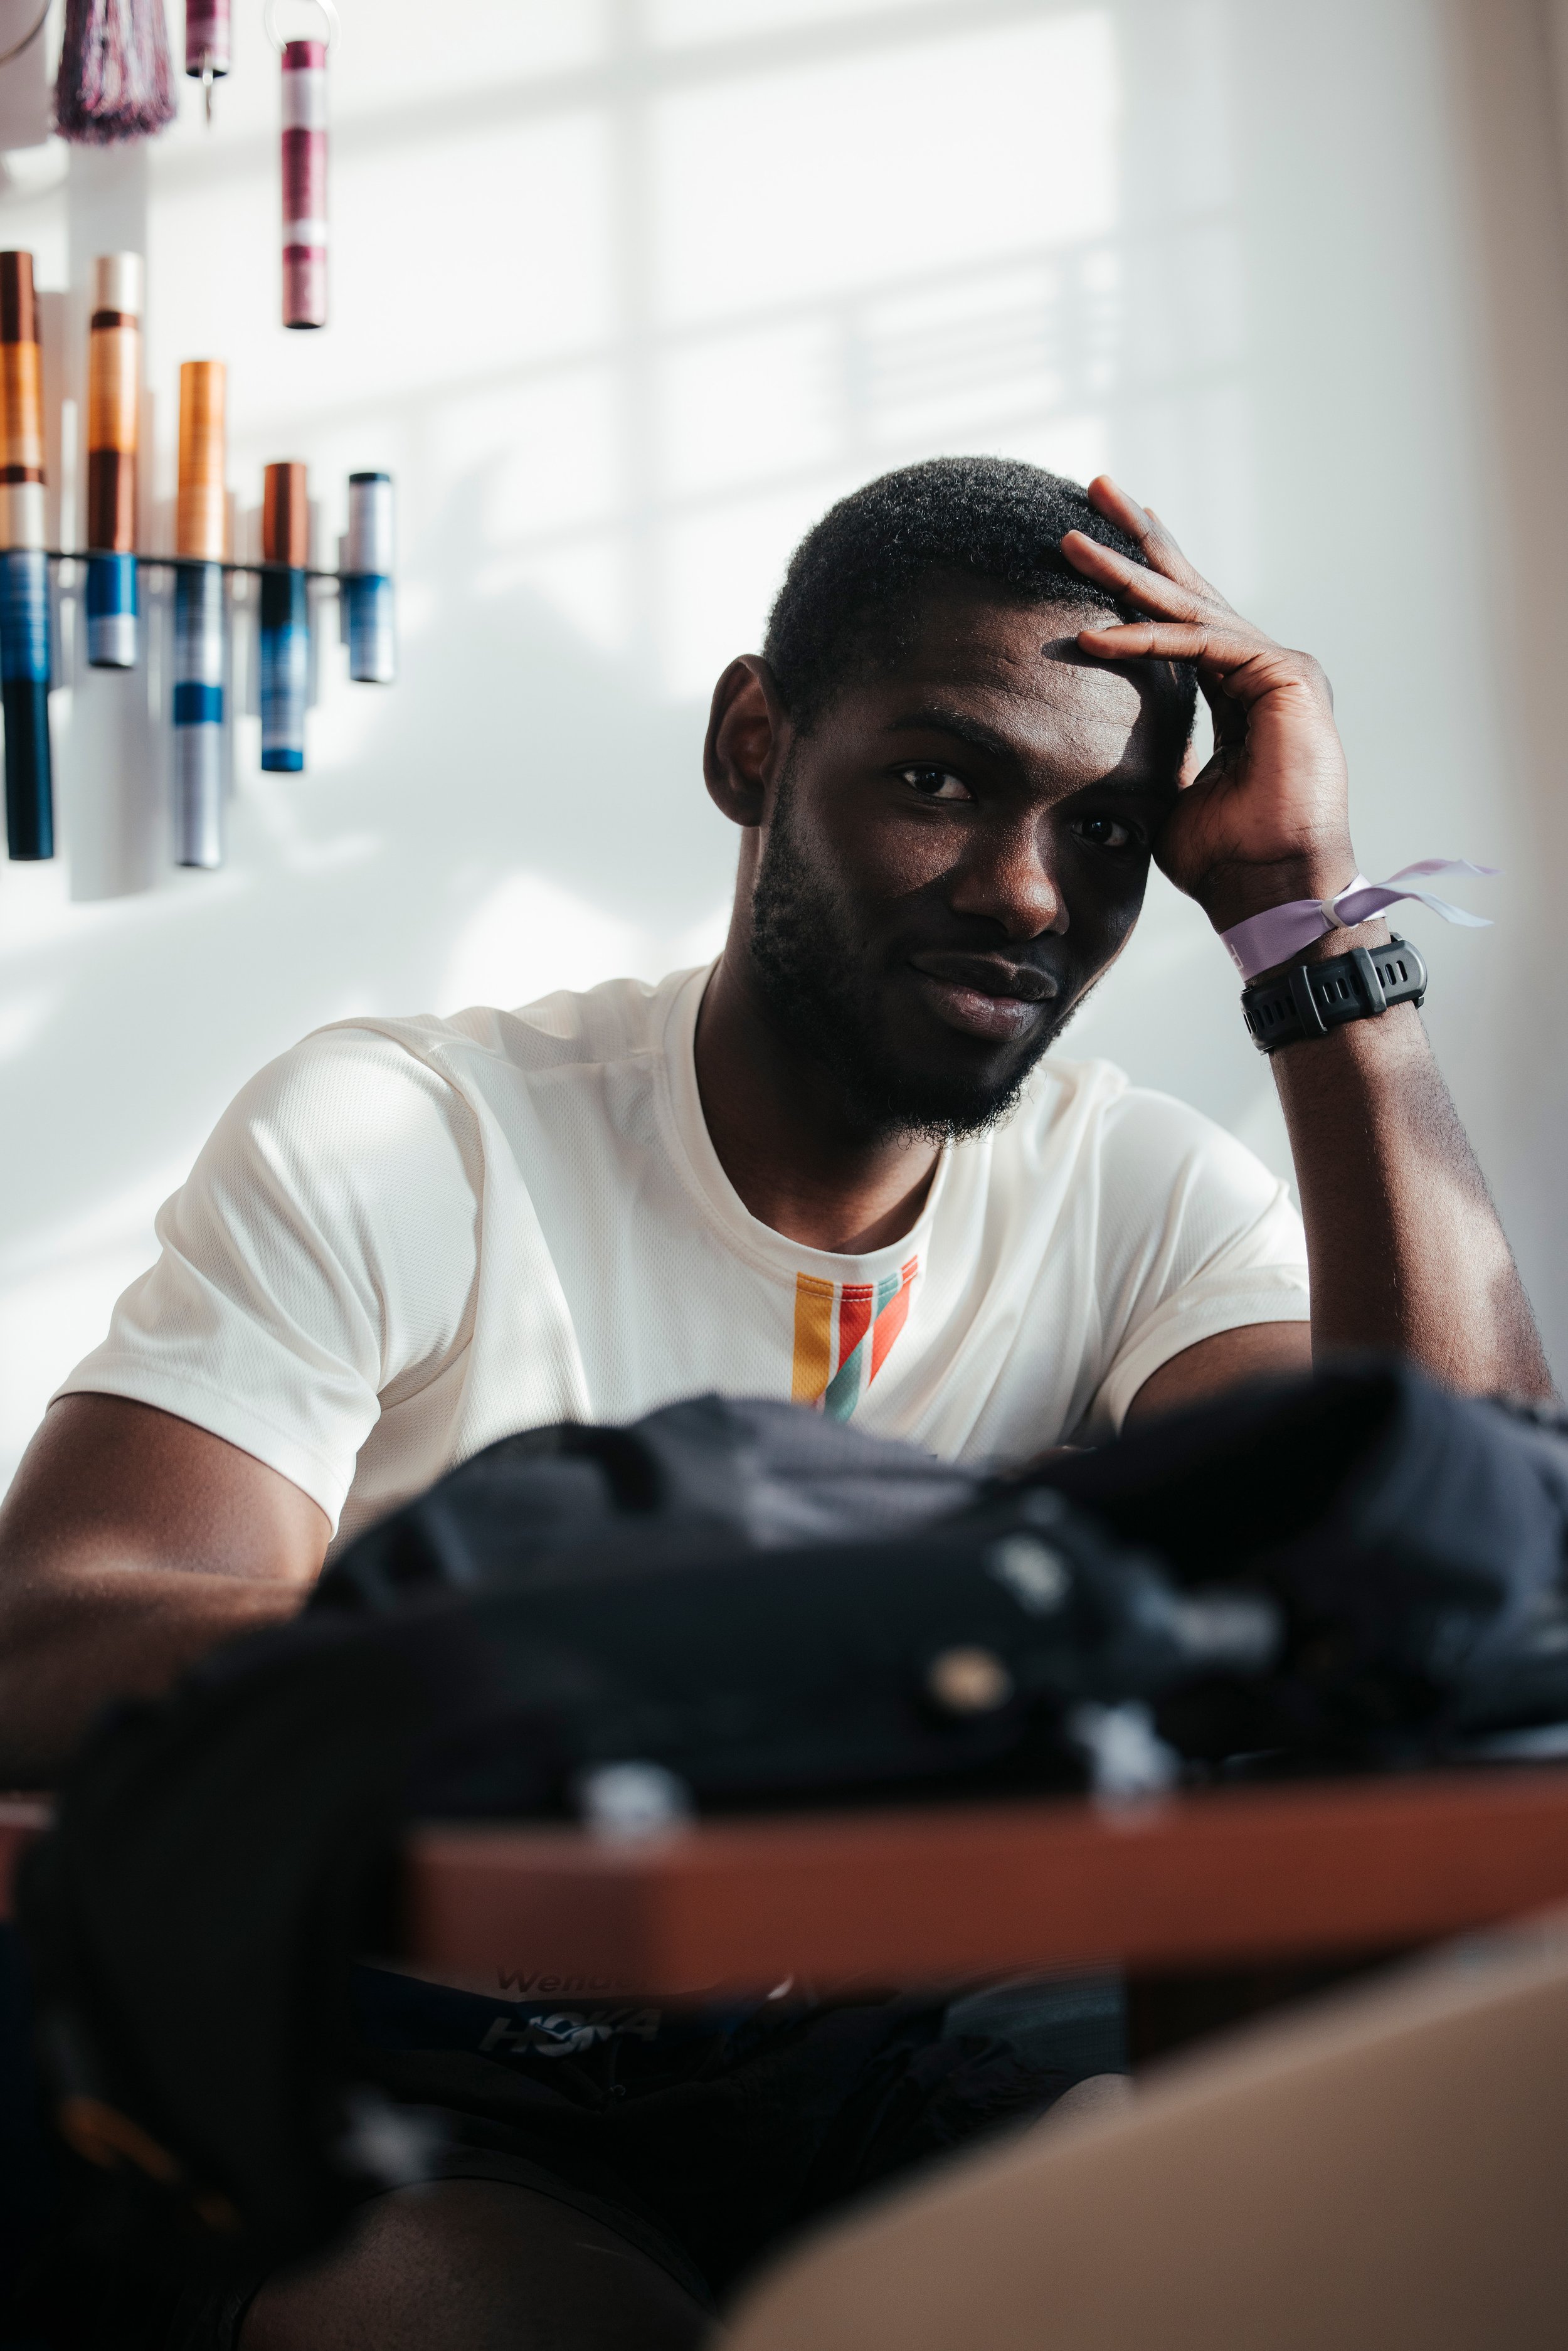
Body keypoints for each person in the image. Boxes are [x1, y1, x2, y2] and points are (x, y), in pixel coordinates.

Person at [0, 459, 1551, 2348]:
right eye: (935, 779)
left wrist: (1310, 926)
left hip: (925, 2048)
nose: (1021, 892)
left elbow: (1463, 1551)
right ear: (756, 743)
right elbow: (51, 1636)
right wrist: (641, 1653)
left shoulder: (1132, 1187)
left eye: (1112, 831)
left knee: (1349, 2236)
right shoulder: (418, 1129)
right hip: (448, 2069)